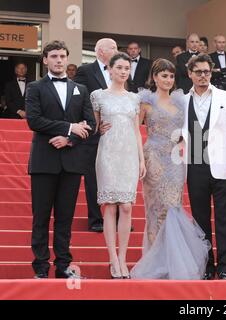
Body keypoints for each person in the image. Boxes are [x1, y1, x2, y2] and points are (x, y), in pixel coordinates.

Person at [130, 59, 210, 279]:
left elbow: (189, 130)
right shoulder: (145, 101)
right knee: (155, 210)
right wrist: (140, 160)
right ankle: (156, 264)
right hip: (153, 156)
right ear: (154, 77)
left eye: (171, 76)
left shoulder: (181, 101)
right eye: (163, 75)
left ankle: (172, 262)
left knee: (173, 207)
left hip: (175, 160)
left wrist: (185, 145)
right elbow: (135, 131)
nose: (168, 80)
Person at [26, 40, 95, 279]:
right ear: (45, 60)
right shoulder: (35, 87)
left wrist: (69, 139)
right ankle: (41, 268)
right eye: (53, 56)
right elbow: (34, 121)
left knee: (65, 218)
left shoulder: (81, 89)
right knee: (41, 217)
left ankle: (64, 266)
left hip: (72, 161)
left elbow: (91, 125)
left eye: (62, 56)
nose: (58, 60)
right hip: (44, 161)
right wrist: (69, 127)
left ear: (67, 59)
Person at [183, 54, 226, 280]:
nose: (202, 76)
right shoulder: (182, 99)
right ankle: (207, 266)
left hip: (223, 164)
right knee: (200, 220)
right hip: (195, 165)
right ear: (190, 73)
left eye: (206, 72)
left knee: (225, 218)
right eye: (198, 72)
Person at [91, 52, 146, 279]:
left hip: (129, 154)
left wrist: (141, 159)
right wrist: (97, 130)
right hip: (107, 153)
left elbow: (136, 129)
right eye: (119, 68)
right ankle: (113, 259)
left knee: (126, 206)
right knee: (111, 206)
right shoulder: (98, 96)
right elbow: (95, 128)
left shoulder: (134, 98)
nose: (123, 72)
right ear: (110, 70)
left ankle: (123, 258)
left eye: (127, 68)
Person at [74, 38, 118, 233]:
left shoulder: (120, 71)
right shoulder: (85, 71)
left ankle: (117, 218)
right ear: (100, 51)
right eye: (113, 48)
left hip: (117, 135)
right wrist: (93, 124)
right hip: (94, 135)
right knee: (93, 178)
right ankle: (95, 218)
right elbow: (80, 100)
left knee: (115, 177)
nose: (117, 50)